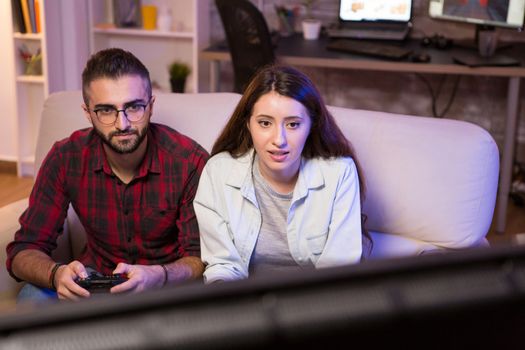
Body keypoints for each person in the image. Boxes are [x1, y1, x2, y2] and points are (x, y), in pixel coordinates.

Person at [6, 48, 208, 302]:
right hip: (94, 286)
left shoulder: (190, 161)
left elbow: (201, 259)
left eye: (134, 107)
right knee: (31, 296)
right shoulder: (65, 158)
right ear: (88, 112)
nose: (122, 124)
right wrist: (56, 274)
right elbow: (24, 250)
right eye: (106, 110)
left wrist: (159, 276)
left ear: (151, 106)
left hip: (164, 290)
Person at [194, 65, 369, 284]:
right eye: (265, 123)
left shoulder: (340, 173)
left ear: (311, 125)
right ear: (248, 123)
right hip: (245, 303)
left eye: (293, 124)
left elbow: (337, 271)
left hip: (320, 305)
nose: (279, 140)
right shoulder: (218, 171)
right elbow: (222, 265)